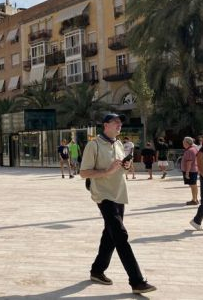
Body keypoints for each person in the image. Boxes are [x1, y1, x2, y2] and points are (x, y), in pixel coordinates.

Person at [80, 113, 156, 294]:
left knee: (110, 234)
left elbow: (121, 167)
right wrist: (106, 171)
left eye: (120, 123)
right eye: (116, 122)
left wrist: (127, 167)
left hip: (120, 193)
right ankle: (137, 281)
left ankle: (97, 271)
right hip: (103, 195)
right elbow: (84, 173)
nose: (119, 125)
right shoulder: (94, 145)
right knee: (120, 235)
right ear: (105, 125)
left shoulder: (119, 144)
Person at [181, 137, 199, 205]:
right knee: (193, 185)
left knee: (193, 185)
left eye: (183, 142)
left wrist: (187, 172)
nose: (183, 143)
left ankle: (194, 200)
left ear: (187, 143)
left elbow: (189, 162)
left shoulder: (190, 150)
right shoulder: (193, 149)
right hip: (193, 170)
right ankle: (195, 199)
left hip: (191, 171)